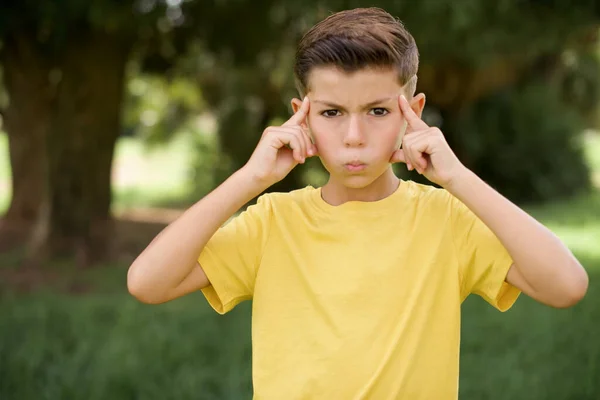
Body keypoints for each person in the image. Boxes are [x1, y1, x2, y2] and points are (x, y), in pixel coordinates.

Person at [127, 7, 589, 399]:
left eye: (378, 111)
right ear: (301, 116)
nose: (353, 138)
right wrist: (249, 179)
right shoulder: (272, 223)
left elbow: (566, 286)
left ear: (414, 112)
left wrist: (458, 178)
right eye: (331, 113)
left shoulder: (446, 219)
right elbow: (147, 283)